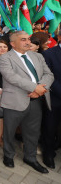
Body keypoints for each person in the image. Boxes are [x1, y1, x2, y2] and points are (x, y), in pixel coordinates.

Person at [0, 31, 54, 173]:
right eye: (23, 39)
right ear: (12, 43)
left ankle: (30, 157)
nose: (28, 42)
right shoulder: (5, 58)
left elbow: (49, 74)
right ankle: (8, 155)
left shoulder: (38, 56)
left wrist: (40, 89)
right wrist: (34, 87)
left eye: (28, 39)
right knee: (9, 131)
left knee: (33, 132)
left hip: (36, 100)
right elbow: (11, 77)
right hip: (14, 101)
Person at [41, 30, 61, 169]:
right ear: (59, 37)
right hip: (55, 98)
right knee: (50, 127)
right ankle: (48, 154)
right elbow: (49, 77)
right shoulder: (48, 54)